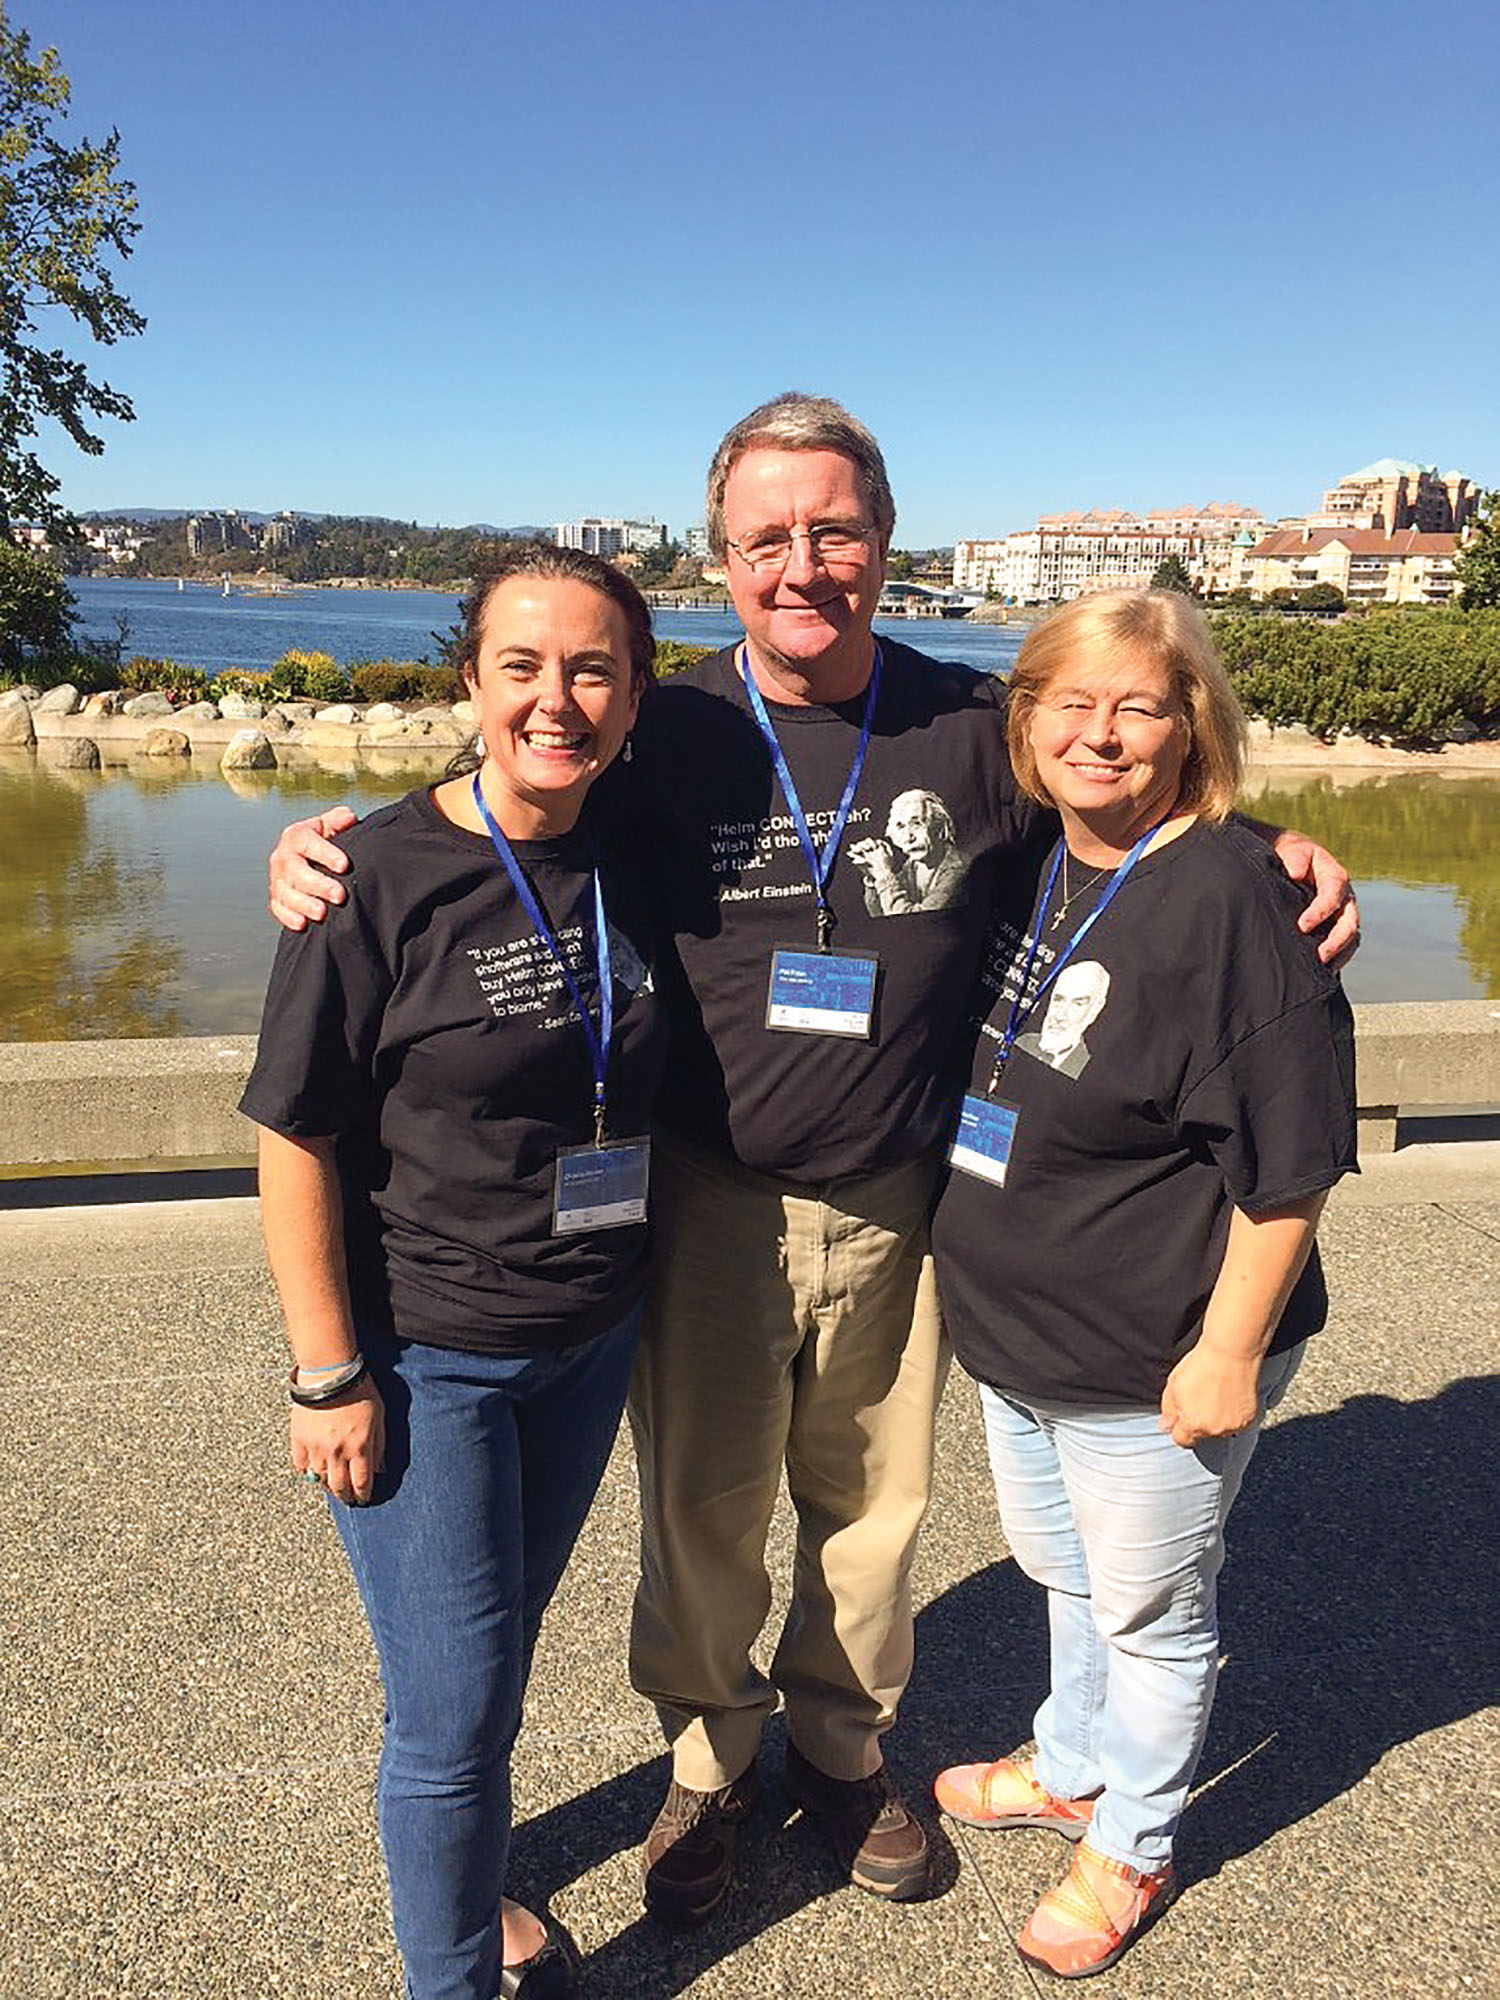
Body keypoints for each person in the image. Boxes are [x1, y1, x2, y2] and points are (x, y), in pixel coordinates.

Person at [266, 394, 1360, 1931]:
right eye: (766, 536)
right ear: (720, 558)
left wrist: (1284, 852)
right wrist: (335, 843)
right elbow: (509, 808)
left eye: (833, 530)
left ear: (881, 540)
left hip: (904, 1194)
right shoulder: (671, 726)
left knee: (872, 1509)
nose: (803, 564)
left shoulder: (973, 727)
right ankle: (708, 1763)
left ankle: (845, 1753)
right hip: (703, 1192)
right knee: (703, 1512)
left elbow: (1132, 809)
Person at [241, 546, 665, 2000]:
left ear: (634, 696)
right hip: (429, 1355)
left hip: (589, 1334)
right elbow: (294, 1137)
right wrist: (327, 1371)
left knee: (496, 1656)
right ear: (471, 682)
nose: (559, 699)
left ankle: (471, 1890)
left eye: (594, 668)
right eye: (525, 666)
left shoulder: (640, 842)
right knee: (450, 1705)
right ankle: (449, 1978)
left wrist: (1258, 852)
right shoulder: (373, 880)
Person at [929, 590, 1357, 1979]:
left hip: (1158, 1345)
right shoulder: (1042, 859)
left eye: (1140, 706)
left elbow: (1288, 1169)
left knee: (1155, 1614)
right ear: (1028, 720)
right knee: (1063, 1574)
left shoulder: (1235, 901)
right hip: (1021, 1337)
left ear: (1193, 728)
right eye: (1073, 702)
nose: (1101, 734)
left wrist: (1227, 1352)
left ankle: (1135, 1840)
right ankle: (1069, 1763)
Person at [849, 788, 967, 914]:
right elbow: (880, 915)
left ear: (939, 828)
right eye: (900, 826)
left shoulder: (958, 870)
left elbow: (913, 921)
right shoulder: (913, 866)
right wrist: (873, 874)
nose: (908, 837)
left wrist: (884, 874)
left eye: (916, 823)